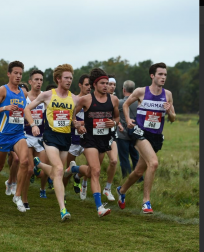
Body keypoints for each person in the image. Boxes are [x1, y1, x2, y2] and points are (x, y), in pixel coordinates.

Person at [117, 62, 175, 214]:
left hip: (155, 136)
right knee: (153, 163)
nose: (163, 77)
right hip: (140, 132)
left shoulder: (167, 95)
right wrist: (129, 120)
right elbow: (125, 104)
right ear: (152, 76)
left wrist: (169, 111)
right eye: (160, 74)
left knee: (138, 172)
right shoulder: (141, 92)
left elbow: (173, 118)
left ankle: (121, 191)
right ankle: (146, 202)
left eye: (165, 75)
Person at [26, 64, 77, 220]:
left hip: (65, 137)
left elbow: (74, 119)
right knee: (60, 169)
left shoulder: (74, 98)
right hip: (50, 136)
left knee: (58, 174)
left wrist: (79, 126)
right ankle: (63, 209)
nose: (69, 80)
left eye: (71, 78)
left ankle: (40, 165)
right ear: (58, 79)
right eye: (66, 78)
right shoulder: (48, 95)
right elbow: (26, 109)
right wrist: (34, 125)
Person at [72, 68, 119, 217]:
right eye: (102, 83)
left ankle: (74, 170)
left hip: (104, 139)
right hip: (89, 139)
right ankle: (99, 207)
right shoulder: (86, 100)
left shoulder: (113, 100)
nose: (106, 86)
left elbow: (117, 118)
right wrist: (78, 126)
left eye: (107, 83)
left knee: (92, 171)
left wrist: (114, 123)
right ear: (95, 84)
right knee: (96, 171)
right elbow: (73, 117)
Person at [0, 61, 29, 213]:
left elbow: (25, 110)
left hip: (18, 134)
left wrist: (31, 122)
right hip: (3, 135)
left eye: (20, 74)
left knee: (24, 161)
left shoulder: (23, 93)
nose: (18, 76)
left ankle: (17, 196)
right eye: (16, 73)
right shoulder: (2, 90)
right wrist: (5, 107)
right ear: (9, 74)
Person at [63, 74, 90, 200]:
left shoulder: (92, 101)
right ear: (80, 85)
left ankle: (78, 178)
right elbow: (66, 119)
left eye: (91, 85)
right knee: (67, 170)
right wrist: (75, 124)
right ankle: (61, 192)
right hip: (73, 140)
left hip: (88, 140)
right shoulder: (73, 100)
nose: (89, 87)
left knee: (92, 167)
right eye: (86, 85)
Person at [24, 69, 48, 202]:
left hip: (41, 138)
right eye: (36, 80)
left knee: (43, 171)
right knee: (28, 170)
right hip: (26, 136)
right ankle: (24, 199)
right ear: (30, 82)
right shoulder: (24, 97)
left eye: (41, 80)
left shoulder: (45, 97)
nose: (39, 82)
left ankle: (42, 188)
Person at [117, 80, 140, 179]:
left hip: (123, 135)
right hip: (135, 134)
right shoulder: (139, 102)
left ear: (124, 89)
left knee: (124, 159)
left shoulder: (120, 102)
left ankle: (126, 178)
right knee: (136, 158)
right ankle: (138, 178)